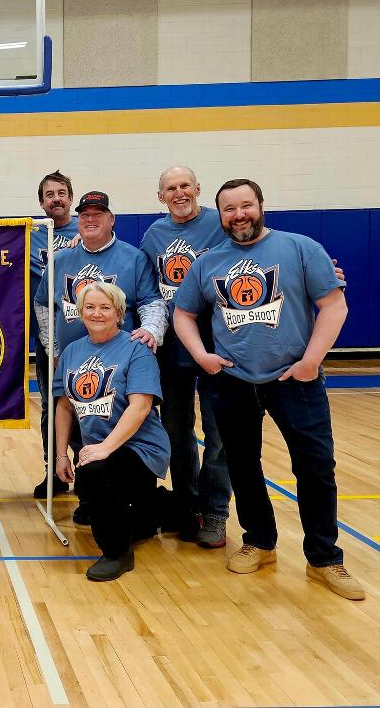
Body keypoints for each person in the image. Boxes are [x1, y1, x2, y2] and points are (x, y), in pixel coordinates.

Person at [174, 178, 364, 600]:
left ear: (260, 206)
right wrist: (203, 356)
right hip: (233, 380)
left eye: (245, 206)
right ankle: (259, 540)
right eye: (229, 209)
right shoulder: (207, 263)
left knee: (315, 466)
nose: (238, 215)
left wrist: (311, 361)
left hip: (295, 380)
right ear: (219, 214)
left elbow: (334, 305)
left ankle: (325, 558)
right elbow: (183, 314)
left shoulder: (300, 248)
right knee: (242, 464)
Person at [35, 190, 167, 524]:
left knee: (119, 421)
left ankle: (141, 501)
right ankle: (89, 496)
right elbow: (42, 304)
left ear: (111, 220)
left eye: (98, 214)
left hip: (118, 361)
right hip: (72, 360)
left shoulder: (133, 258)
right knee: (79, 422)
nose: (90, 220)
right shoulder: (60, 259)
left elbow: (152, 301)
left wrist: (151, 330)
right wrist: (53, 347)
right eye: (85, 215)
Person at [52, 283, 170, 581]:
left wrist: (105, 448)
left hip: (140, 449)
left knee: (94, 474)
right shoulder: (71, 352)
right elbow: (64, 407)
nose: (97, 313)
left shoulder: (136, 350)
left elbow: (140, 407)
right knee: (94, 490)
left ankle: (117, 553)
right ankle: (160, 509)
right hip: (100, 449)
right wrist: (60, 455)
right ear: (80, 313)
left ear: (119, 313)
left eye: (105, 307)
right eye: (90, 307)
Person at [140, 167, 231, 546]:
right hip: (172, 350)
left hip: (218, 346)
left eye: (185, 186)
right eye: (170, 188)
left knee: (218, 433)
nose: (179, 193)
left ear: (198, 189)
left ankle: (215, 512)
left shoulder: (221, 224)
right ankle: (186, 505)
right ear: (160, 196)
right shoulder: (154, 235)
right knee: (177, 432)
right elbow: (146, 290)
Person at [29, 170, 79, 498]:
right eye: (50, 194)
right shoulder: (30, 233)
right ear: (41, 201)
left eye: (61, 193)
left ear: (70, 197)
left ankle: (88, 469)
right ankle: (55, 472)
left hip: (90, 340)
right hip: (51, 341)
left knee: (92, 405)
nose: (56, 199)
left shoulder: (88, 230)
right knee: (52, 406)